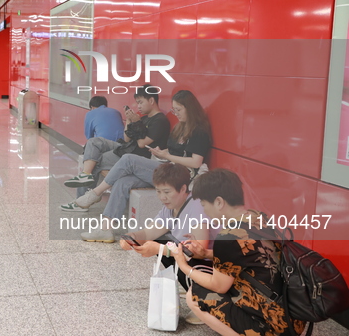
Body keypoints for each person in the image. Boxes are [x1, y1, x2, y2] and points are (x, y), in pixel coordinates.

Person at [174, 169, 306, 336]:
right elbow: (246, 255)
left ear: (219, 202)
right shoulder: (259, 217)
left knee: (194, 294)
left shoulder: (227, 237)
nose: (204, 211)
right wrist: (206, 254)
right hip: (292, 317)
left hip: (272, 327)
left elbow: (218, 286)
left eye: (204, 204)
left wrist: (184, 266)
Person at [76, 90, 212, 242]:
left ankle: (95, 193)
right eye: (174, 110)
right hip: (168, 166)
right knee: (123, 181)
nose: (176, 114)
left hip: (181, 174)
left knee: (128, 159)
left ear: (190, 108)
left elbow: (196, 162)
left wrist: (167, 156)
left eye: (179, 110)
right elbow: (175, 151)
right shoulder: (180, 127)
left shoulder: (199, 131)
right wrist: (162, 152)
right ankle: (105, 229)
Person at [120, 163, 215, 324]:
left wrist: (161, 249)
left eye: (167, 192)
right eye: (158, 191)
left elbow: (199, 250)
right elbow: (149, 232)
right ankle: (192, 291)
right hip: (192, 259)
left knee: (164, 247)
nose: (162, 197)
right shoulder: (169, 208)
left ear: (183, 189)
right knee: (159, 240)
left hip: (212, 266)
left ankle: (205, 303)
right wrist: (132, 237)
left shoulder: (197, 206)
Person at [61, 86, 170, 211]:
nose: (138, 106)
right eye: (137, 102)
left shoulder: (160, 121)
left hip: (137, 155)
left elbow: (142, 144)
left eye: (140, 102)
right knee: (94, 142)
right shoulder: (144, 118)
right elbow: (126, 139)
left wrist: (136, 123)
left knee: (95, 161)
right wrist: (129, 121)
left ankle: (81, 201)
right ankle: (85, 176)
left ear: (151, 100)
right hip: (126, 147)